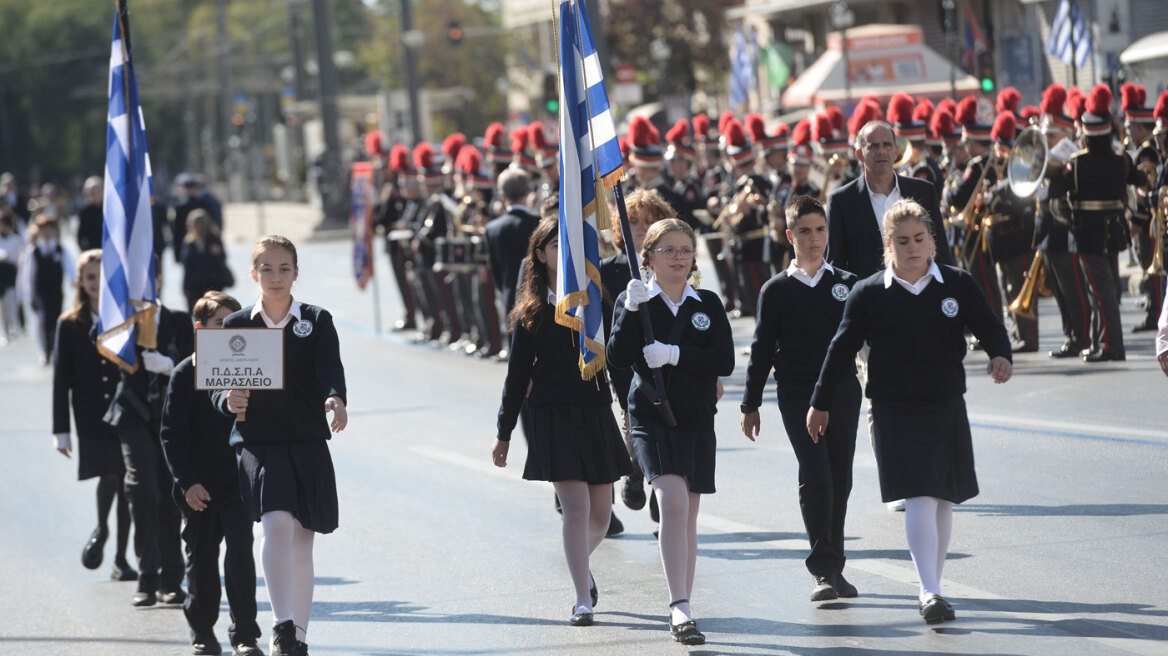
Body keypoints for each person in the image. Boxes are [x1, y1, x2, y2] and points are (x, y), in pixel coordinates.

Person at [807, 198, 1012, 624]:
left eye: (919, 238)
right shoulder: (868, 293)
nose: (912, 247)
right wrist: (820, 402)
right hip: (893, 407)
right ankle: (929, 591)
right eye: (902, 241)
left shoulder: (955, 283)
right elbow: (841, 348)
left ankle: (932, 585)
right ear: (888, 244)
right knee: (919, 494)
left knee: (943, 500)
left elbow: (990, 324)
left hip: (945, 402)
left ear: (930, 240)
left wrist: (1000, 354)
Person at [492, 218, 631, 627]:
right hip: (552, 416)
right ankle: (580, 598)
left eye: (569, 245)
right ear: (540, 254)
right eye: (555, 246)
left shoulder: (595, 301)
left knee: (601, 517)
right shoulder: (531, 311)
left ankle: (579, 566)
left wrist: (628, 407)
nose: (563, 253)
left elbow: (618, 359)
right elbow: (516, 377)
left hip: (594, 411)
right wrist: (503, 433)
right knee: (575, 508)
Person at [215, 235, 348, 656]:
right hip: (259, 441)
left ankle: (300, 637)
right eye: (267, 269)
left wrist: (335, 399)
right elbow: (218, 389)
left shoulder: (315, 319)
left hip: (307, 440)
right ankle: (281, 625)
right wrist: (227, 399)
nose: (276, 277)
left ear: (296, 271)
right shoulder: (237, 325)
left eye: (284, 268)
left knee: (302, 539)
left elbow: (331, 370)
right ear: (253, 274)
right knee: (275, 524)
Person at [609, 219, 735, 645]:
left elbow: (724, 359)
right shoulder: (638, 301)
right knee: (672, 501)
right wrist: (628, 311)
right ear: (648, 258)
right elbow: (618, 356)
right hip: (651, 416)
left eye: (685, 249)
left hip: (697, 418)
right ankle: (678, 605)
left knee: (687, 517)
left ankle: (685, 599)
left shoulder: (708, 304)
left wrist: (674, 354)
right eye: (669, 250)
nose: (679, 257)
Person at [740, 196, 862, 602]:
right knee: (817, 476)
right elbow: (761, 350)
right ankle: (822, 570)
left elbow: (870, 336)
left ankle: (836, 565)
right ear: (789, 236)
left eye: (821, 230)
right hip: (798, 395)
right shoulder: (776, 290)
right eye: (805, 231)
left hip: (843, 392)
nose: (815, 239)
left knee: (840, 478)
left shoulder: (847, 283)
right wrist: (750, 403)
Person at [161, 291, 262, 656]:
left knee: (240, 562)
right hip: (198, 490)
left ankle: (245, 635)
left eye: (236, 323)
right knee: (202, 565)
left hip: (237, 486)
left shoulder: (251, 367)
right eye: (222, 324)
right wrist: (188, 483)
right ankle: (202, 632)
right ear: (201, 329)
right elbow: (171, 435)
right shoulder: (185, 372)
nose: (231, 331)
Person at [51, 249, 136, 582]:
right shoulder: (69, 324)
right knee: (111, 475)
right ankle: (102, 527)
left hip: (128, 412)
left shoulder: (128, 318)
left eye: (102, 277)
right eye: (90, 277)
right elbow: (61, 380)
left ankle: (120, 558)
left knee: (129, 482)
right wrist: (61, 431)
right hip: (90, 415)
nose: (96, 284)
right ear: (80, 282)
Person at [600, 189, 672, 528]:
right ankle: (637, 469)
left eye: (648, 222)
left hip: (671, 363)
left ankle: (661, 492)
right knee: (639, 425)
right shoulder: (606, 272)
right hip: (628, 367)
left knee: (671, 428)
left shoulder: (676, 266)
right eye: (632, 223)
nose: (641, 229)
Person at [825, 120, 954, 279]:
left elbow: (940, 251)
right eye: (873, 146)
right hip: (869, 299)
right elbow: (836, 266)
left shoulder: (924, 191)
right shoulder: (840, 201)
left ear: (896, 151)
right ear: (859, 154)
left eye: (887, 145)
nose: (881, 151)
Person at [18, 215, 75, 364]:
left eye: (50, 228)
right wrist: (28, 295)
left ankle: (55, 348)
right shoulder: (33, 251)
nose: (47, 232)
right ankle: (44, 351)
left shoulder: (60, 250)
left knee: (56, 319)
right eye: (43, 228)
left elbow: (71, 269)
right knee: (42, 321)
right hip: (40, 292)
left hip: (56, 291)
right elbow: (28, 274)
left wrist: (75, 283)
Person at [484, 167, 539, 320]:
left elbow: (495, 270)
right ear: (528, 191)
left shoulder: (492, 228)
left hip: (509, 295)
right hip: (539, 295)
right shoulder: (538, 223)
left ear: (502, 196)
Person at [180, 209, 233, 312]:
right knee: (196, 312)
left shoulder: (214, 240)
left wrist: (217, 254)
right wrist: (185, 287)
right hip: (194, 286)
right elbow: (187, 266)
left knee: (213, 312)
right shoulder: (189, 242)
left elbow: (222, 260)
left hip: (213, 284)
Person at [0, 208, 24, 344]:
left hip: (10, 275)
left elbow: (19, 256)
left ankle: (12, 326)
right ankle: (4, 332)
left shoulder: (16, 240)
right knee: (1, 305)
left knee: (10, 301)